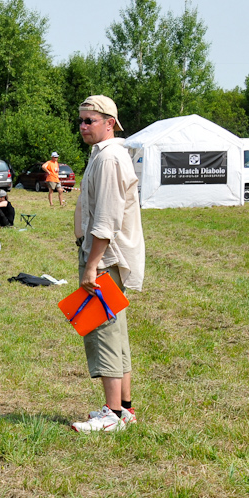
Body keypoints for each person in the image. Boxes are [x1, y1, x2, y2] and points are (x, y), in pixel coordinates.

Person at [70, 95, 145, 433]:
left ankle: (111, 415)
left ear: (109, 122)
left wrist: (92, 264)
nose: (83, 126)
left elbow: (107, 218)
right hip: (105, 256)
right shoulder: (103, 155)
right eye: (82, 120)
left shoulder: (110, 158)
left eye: (90, 121)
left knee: (105, 333)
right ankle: (124, 409)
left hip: (106, 258)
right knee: (114, 331)